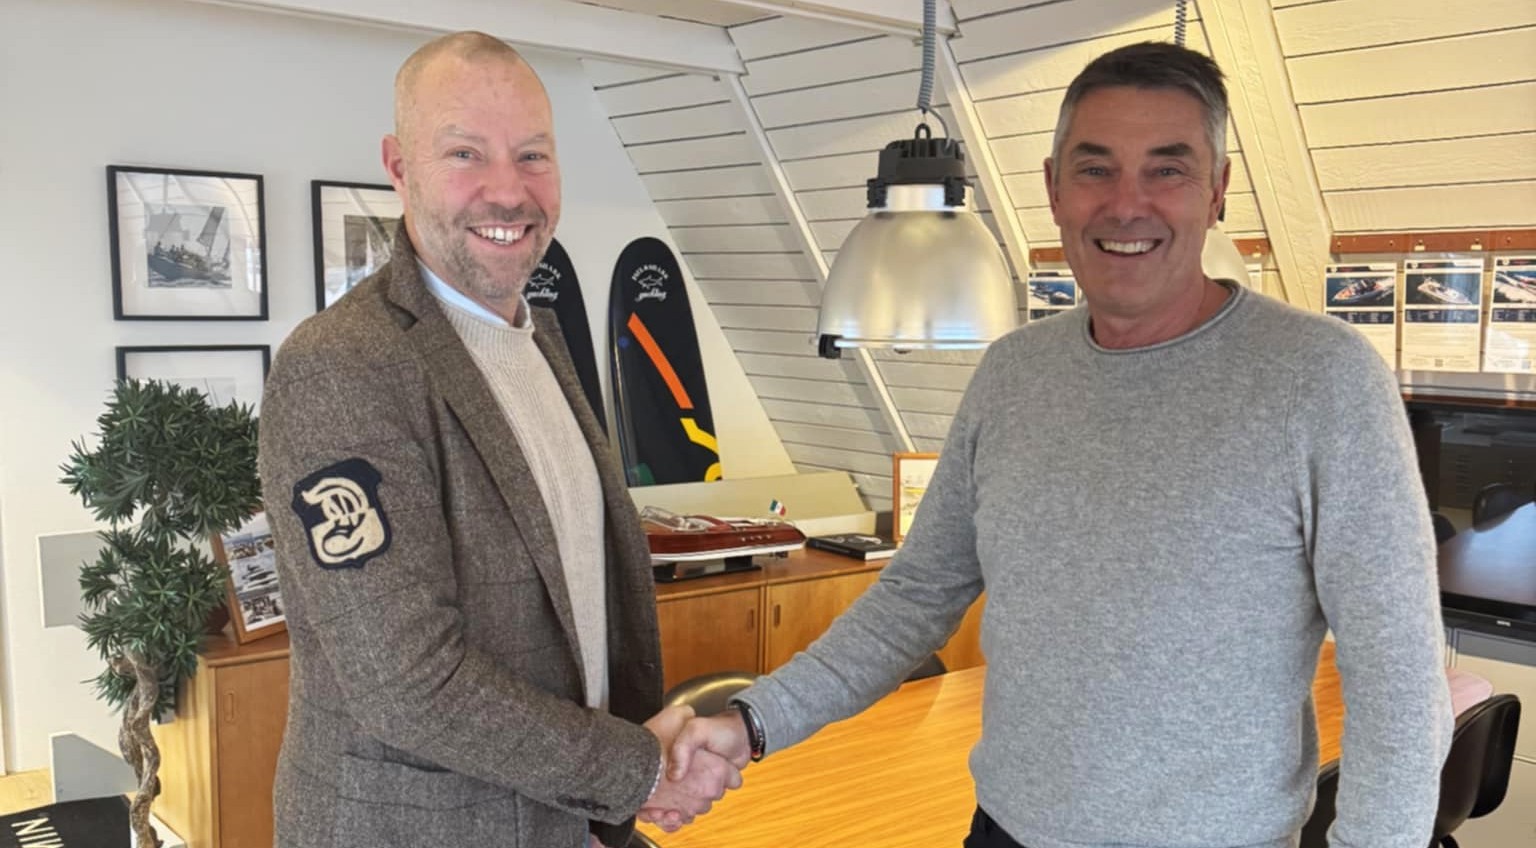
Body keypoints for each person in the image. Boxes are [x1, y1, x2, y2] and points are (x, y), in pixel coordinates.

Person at [667, 41, 1453, 847]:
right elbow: (912, 600)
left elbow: (1398, 677)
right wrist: (750, 722)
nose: (1126, 204)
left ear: (1217, 190)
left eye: (1167, 169)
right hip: (1004, 831)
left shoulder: (1321, 379)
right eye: (1095, 168)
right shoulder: (1013, 375)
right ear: (1052, 188)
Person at [258, 32, 737, 848]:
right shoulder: (342, 365)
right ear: (399, 167)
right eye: (465, 154)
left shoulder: (540, 337)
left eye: (532, 155)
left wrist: (604, 805)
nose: (508, 191)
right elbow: (407, 683)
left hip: (564, 820)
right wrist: (636, 770)